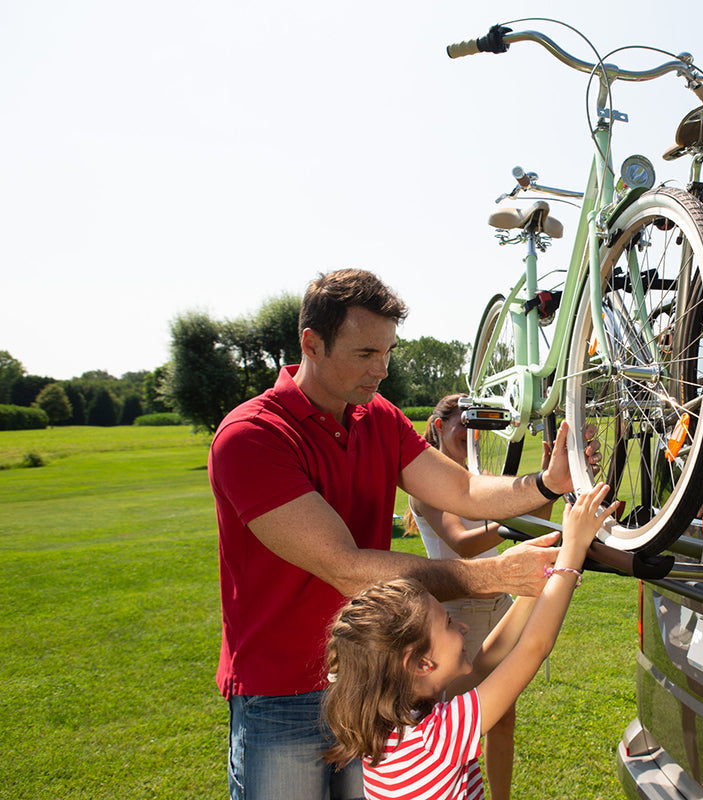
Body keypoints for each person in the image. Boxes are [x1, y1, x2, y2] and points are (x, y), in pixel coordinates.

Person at [208, 268, 593, 800]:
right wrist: (492, 576)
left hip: (371, 683)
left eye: (389, 352)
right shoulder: (251, 438)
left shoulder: (377, 417)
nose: (382, 370)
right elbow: (344, 566)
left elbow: (460, 488)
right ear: (311, 344)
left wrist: (545, 484)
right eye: (366, 353)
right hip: (281, 695)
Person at [322, 482, 617, 800]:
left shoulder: (397, 726)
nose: (461, 627)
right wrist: (572, 553)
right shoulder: (435, 740)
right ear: (422, 663)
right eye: (447, 624)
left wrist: (541, 581)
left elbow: (484, 664)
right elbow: (534, 647)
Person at [405, 393, 545, 800]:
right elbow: (463, 544)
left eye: (479, 425)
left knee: (502, 719)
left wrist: (544, 495)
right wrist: (510, 525)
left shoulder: (477, 478)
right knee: (458, 734)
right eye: (463, 423)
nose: (472, 434)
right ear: (438, 426)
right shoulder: (428, 487)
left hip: (499, 603)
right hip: (456, 619)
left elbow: (536, 528)